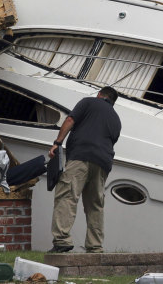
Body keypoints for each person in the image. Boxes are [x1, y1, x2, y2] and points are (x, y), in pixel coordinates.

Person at [47, 86, 121, 253]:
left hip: (81, 156)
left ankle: (62, 240)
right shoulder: (116, 119)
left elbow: (69, 121)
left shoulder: (89, 102)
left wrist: (57, 143)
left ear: (99, 95)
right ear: (113, 102)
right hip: (103, 163)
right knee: (95, 205)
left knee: (67, 196)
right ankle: (95, 246)